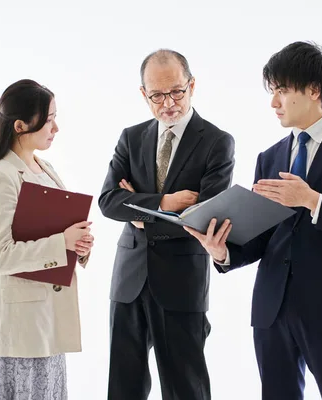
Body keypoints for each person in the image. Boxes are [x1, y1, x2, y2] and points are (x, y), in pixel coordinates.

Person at [184, 41, 322, 400]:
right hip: (272, 310)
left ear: (314, 90)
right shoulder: (271, 157)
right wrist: (222, 252)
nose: (273, 102)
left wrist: (312, 200)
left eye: (281, 90)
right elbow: (263, 238)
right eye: (272, 91)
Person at [98, 49, 235, 400]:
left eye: (176, 91)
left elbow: (207, 215)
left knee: (185, 387)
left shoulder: (217, 142)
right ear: (144, 94)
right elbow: (108, 202)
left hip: (181, 283)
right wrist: (164, 205)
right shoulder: (131, 137)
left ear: (192, 86)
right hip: (129, 280)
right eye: (157, 95)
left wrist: (140, 214)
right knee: (123, 388)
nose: (168, 102)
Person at [0, 79, 94, 400]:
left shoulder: (45, 167)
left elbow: (56, 231)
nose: (56, 127)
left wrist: (79, 245)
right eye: (50, 119)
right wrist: (62, 243)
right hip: (20, 327)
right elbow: (0, 256)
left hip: (49, 318)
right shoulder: (1, 176)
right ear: (20, 125)